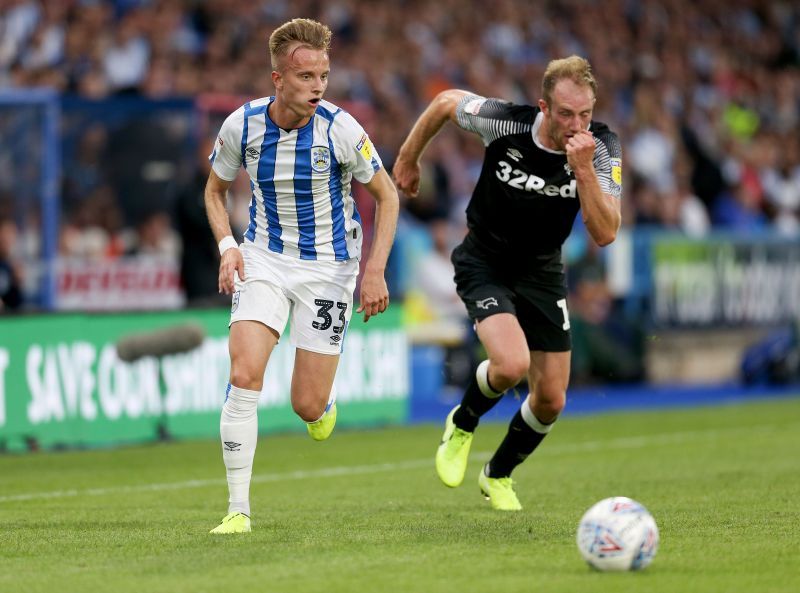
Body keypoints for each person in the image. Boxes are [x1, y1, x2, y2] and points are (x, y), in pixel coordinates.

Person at [393, 56, 622, 511]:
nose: (576, 125)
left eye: (585, 115)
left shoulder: (600, 148)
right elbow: (443, 103)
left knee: (552, 399)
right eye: (565, 114)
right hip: (485, 260)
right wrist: (408, 158)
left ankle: (497, 475)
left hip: (542, 271)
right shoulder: (505, 123)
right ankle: (462, 421)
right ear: (543, 107)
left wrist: (583, 172)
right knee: (511, 364)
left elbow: (606, 231)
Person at [204, 18, 399, 533]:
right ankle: (237, 510)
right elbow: (214, 190)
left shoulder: (341, 129)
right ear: (277, 79)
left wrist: (373, 271)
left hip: (329, 268)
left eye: (324, 75)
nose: (318, 86)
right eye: (306, 76)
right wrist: (228, 246)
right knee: (244, 372)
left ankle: (320, 406)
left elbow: (387, 195)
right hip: (264, 257)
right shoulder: (240, 126)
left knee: (305, 404)